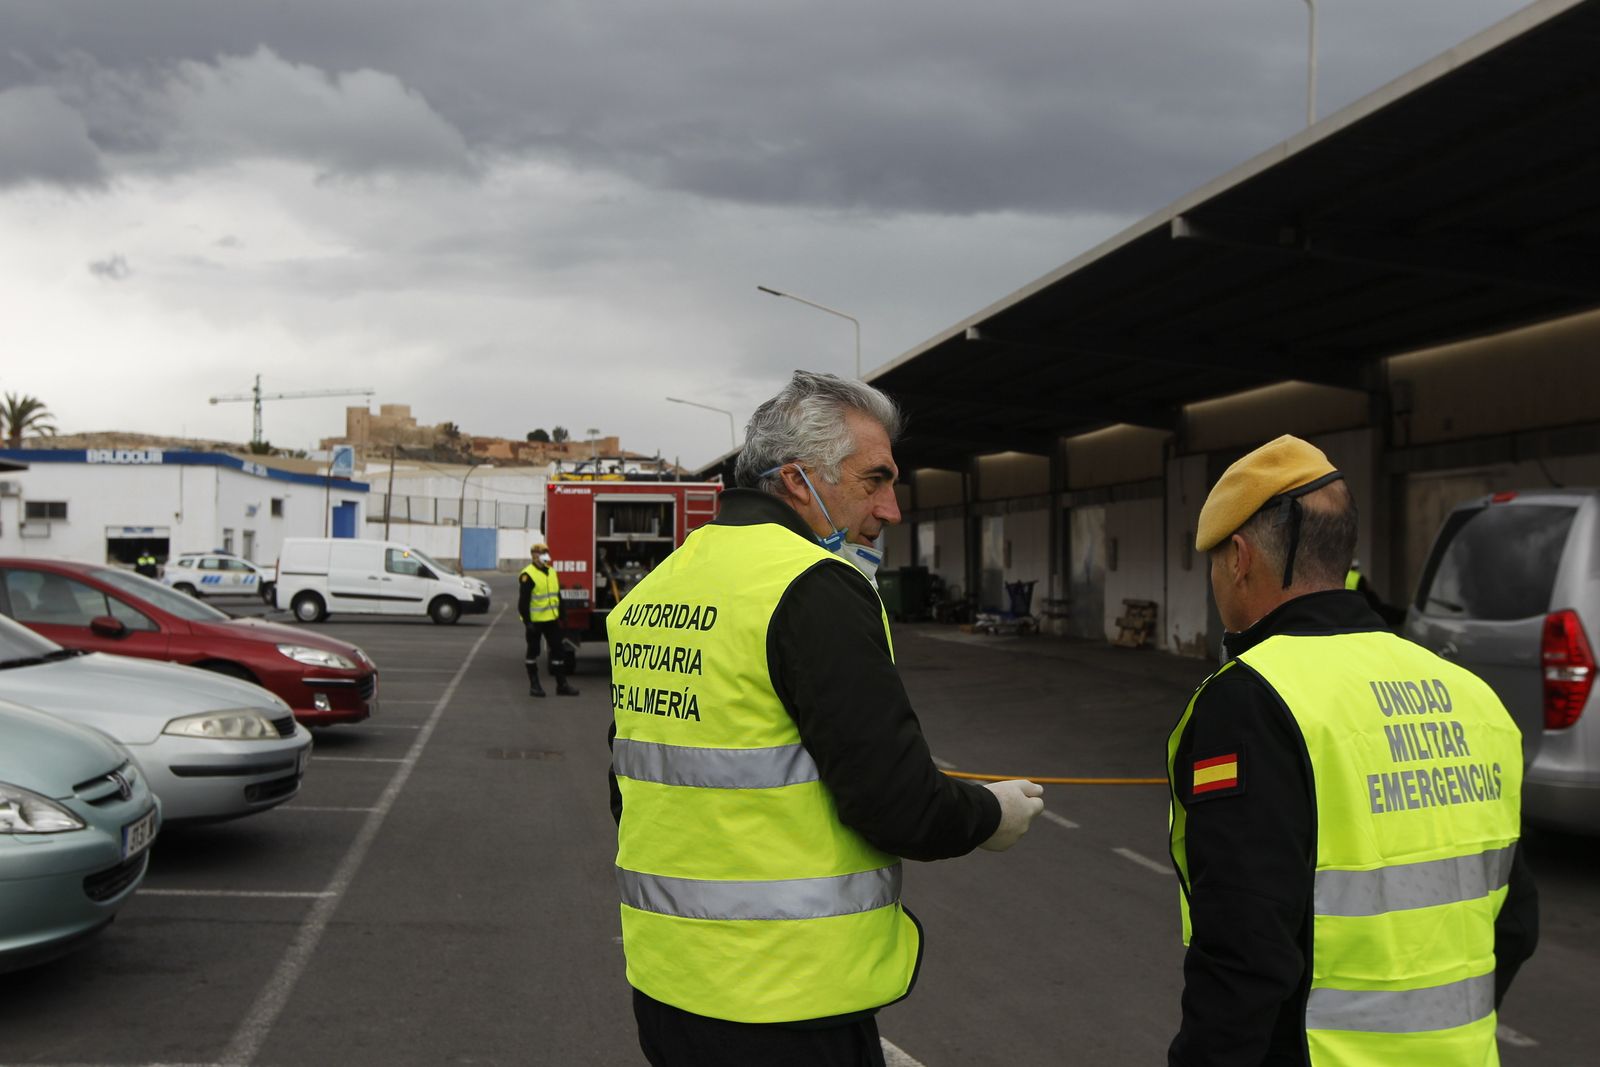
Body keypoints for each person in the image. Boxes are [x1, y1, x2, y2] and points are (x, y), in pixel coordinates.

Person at [609, 370, 1046, 1067]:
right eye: (874, 479)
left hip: (671, 992)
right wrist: (989, 815)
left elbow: (640, 784)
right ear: (797, 479)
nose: (891, 508)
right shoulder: (814, 585)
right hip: (787, 1003)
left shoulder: (660, 587)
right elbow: (895, 804)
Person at [1168, 435, 1538, 1066]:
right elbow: (1516, 921)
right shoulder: (1471, 697)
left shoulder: (1254, 700)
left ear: (1238, 558)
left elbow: (1245, 948)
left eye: (1209, 563)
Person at [518, 542, 577, 697]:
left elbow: (557, 595)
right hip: (535, 622)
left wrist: (563, 615)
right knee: (533, 652)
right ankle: (534, 685)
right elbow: (523, 603)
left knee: (558, 651)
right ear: (534, 556)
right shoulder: (527, 575)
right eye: (542, 554)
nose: (545, 557)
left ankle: (562, 685)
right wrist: (527, 622)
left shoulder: (551, 572)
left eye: (546, 554)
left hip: (551, 620)